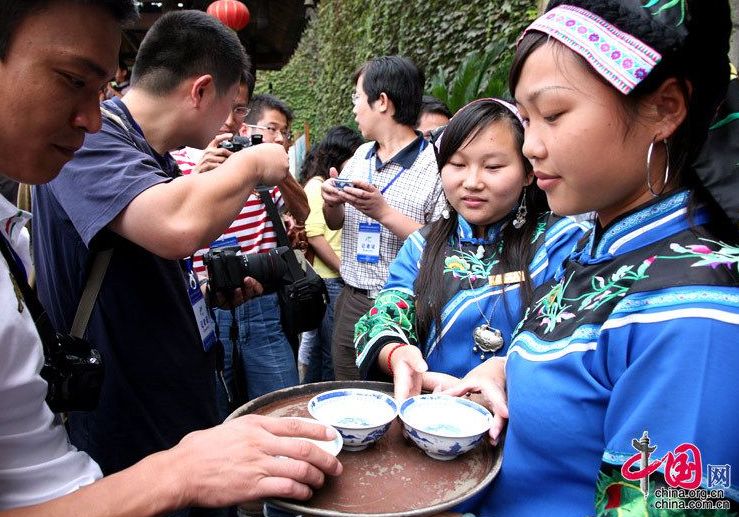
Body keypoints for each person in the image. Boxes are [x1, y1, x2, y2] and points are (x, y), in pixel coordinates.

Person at [0, 1, 341, 515]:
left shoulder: (144, 153)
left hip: (173, 414)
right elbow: (176, 226)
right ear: (202, 90)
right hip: (129, 432)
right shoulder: (95, 144)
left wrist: (205, 294)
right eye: (73, 80)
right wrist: (253, 162)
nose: (88, 117)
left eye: (97, 91)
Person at [440, 1, 739, 515]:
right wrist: (503, 369)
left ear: (665, 109)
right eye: (526, 118)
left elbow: (671, 502)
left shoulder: (693, 312)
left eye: (553, 115)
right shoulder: (583, 243)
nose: (530, 147)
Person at [354, 98, 589, 405]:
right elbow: (385, 315)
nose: (472, 182)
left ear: (528, 172)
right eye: (458, 165)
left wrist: (505, 368)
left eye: (493, 167)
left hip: (524, 419)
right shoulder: (421, 247)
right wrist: (398, 354)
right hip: (433, 416)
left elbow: (573, 336)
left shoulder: (564, 243)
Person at [322, 55, 447, 380]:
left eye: (357, 98)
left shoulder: (436, 167)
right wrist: (331, 202)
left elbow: (443, 246)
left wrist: (383, 213)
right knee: (348, 403)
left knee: (396, 402)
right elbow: (335, 223)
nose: (354, 109)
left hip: (405, 310)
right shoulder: (360, 157)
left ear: (382, 102)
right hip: (351, 300)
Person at [203, 93, 309, 408]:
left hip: (262, 302)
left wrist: (278, 170)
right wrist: (198, 173)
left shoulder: (263, 170)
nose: (279, 138)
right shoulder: (181, 158)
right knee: (217, 414)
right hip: (209, 305)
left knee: (283, 406)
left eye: (282, 131)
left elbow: (302, 211)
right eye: (272, 129)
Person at [298, 126, 364, 383]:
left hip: (338, 277)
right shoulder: (317, 187)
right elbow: (314, 236)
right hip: (331, 280)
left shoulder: (336, 186)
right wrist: (344, 271)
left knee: (320, 347)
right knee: (330, 352)